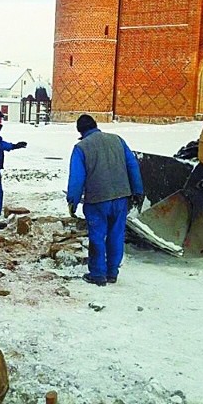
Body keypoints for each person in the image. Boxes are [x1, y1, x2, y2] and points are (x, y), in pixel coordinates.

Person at [66, 114, 143, 286]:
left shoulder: (81, 147)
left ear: (80, 131)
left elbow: (77, 178)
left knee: (97, 236)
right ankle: (112, 273)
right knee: (116, 234)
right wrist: (137, 190)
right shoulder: (118, 140)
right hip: (122, 196)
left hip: (97, 199)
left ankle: (98, 274)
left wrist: (72, 200)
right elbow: (132, 164)